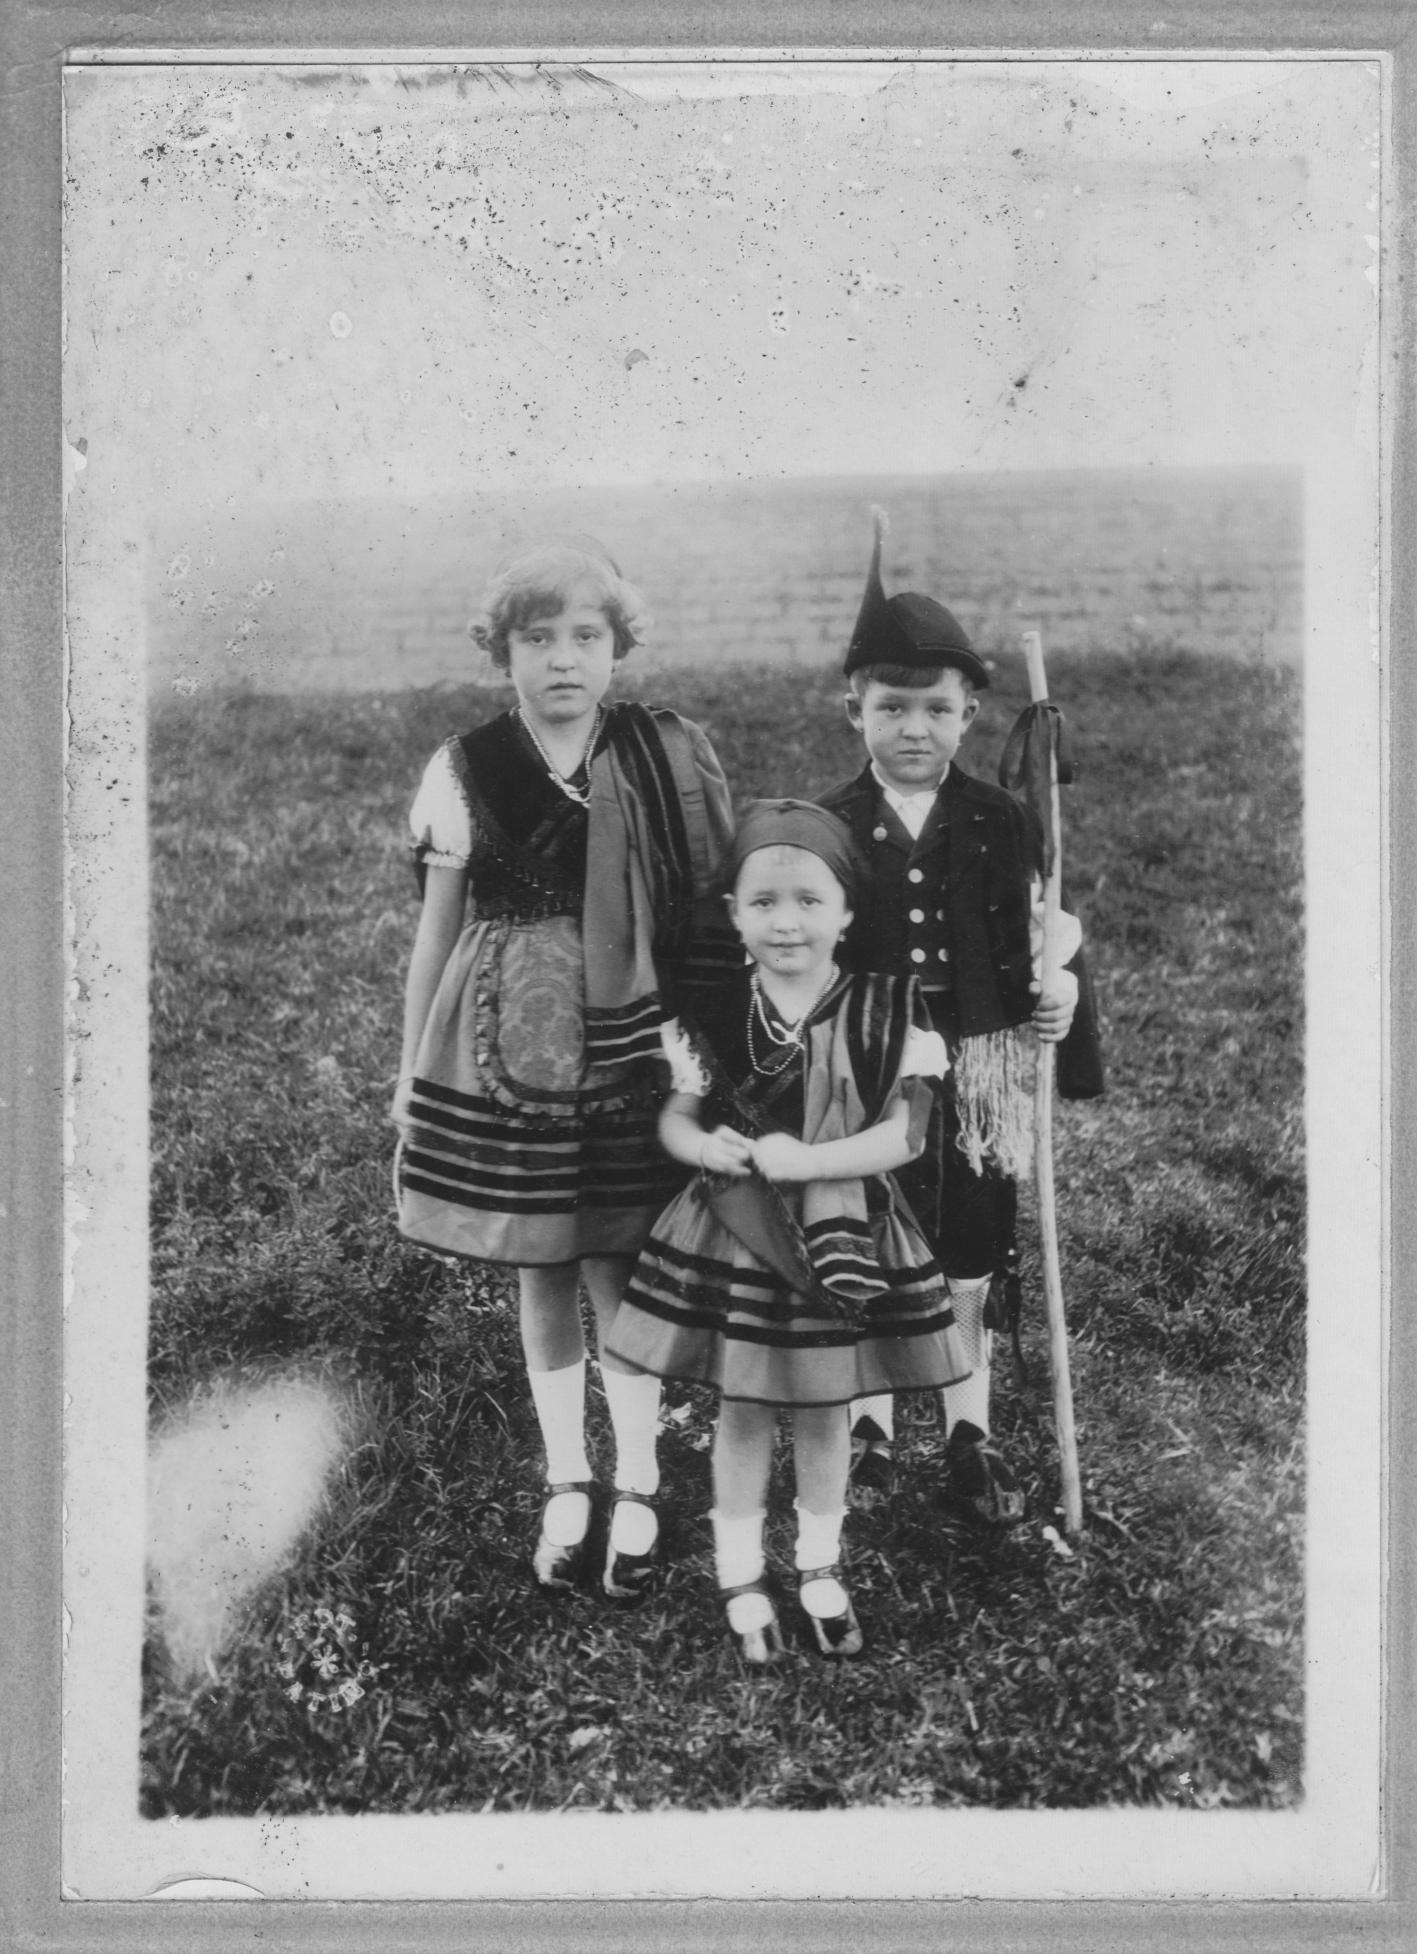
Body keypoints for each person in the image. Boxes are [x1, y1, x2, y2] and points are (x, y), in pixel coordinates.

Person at [391, 539, 735, 1601]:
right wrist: (409, 1072)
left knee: (617, 1261)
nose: (562, 659)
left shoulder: (662, 754)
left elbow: (709, 909)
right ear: (502, 652)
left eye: (586, 636)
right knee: (540, 1264)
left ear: (617, 647)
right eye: (536, 639)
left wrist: (710, 1048)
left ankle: (639, 1480)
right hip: (507, 1048)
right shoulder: (465, 768)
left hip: (634, 1046)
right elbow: (436, 933)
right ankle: (568, 1478)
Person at [606, 801, 972, 1665]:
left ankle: (817, 1565)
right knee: (743, 1405)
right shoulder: (714, 1014)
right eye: (763, 902)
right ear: (733, 915)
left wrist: (808, 1162)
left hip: (841, 1231)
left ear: (846, 911)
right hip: (734, 1232)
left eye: (809, 901)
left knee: (823, 1406)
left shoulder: (888, 1013)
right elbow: (677, 1118)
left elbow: (905, 1137)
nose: (785, 922)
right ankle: (738, 1572)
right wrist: (702, 1146)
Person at [817, 512, 1101, 1526]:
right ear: (853, 708)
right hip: (868, 1065)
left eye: (936, 708)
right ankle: (869, 1420)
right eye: (890, 706)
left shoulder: (1002, 817)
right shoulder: (827, 826)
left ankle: (966, 1429)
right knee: (871, 1233)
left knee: (970, 1244)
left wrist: (1061, 997)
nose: (913, 728)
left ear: (970, 712)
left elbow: (1043, 925)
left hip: (980, 1066)